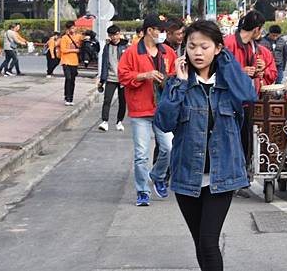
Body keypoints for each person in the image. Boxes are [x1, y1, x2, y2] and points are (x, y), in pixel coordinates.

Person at [155, 20, 257, 271]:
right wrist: (179, 84)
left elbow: (249, 95)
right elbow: (164, 122)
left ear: (217, 49)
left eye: (204, 46)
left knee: (209, 243)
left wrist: (227, 61)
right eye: (191, 46)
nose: (197, 52)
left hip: (221, 177)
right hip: (187, 176)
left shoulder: (228, 85)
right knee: (200, 243)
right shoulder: (177, 84)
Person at [118, 14, 177, 206]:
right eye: (160, 29)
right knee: (141, 154)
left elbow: (176, 75)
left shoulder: (167, 52)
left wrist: (170, 80)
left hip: (162, 110)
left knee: (168, 147)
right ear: (149, 30)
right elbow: (123, 76)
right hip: (140, 110)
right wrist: (145, 75)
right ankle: (142, 191)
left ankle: (158, 175)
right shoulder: (132, 52)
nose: (163, 33)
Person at [224, 10, 277, 197]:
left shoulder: (256, 47)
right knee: (232, 141)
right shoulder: (228, 43)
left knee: (246, 141)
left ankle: (241, 177)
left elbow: (271, 72)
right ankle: (233, 179)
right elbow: (219, 69)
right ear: (256, 29)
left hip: (249, 100)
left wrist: (261, 72)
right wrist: (241, 71)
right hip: (229, 101)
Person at [98, 25, 128, 132]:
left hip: (123, 79)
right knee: (107, 100)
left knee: (122, 101)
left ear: (119, 33)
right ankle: (104, 121)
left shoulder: (126, 46)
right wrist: (102, 80)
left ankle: (119, 121)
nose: (114, 37)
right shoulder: (107, 47)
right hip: (111, 78)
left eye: (115, 35)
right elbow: (104, 64)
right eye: (111, 35)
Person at [60, 21, 82, 106]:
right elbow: (63, 50)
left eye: (73, 27)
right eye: (70, 28)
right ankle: (67, 97)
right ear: (68, 29)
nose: (72, 30)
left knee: (72, 80)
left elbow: (83, 42)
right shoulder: (65, 38)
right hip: (66, 61)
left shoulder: (78, 37)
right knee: (68, 78)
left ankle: (71, 98)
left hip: (75, 62)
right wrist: (74, 50)